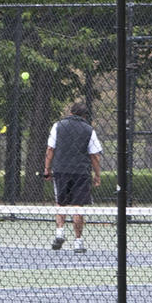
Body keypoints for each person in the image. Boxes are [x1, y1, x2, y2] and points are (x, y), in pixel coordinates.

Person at [43, 101, 103, 253]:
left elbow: (50, 149)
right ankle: (78, 242)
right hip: (81, 172)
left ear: (70, 112)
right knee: (78, 206)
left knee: (60, 203)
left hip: (61, 170)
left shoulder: (58, 125)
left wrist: (47, 169)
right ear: (84, 115)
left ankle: (60, 232)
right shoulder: (89, 129)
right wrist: (97, 175)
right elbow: (95, 155)